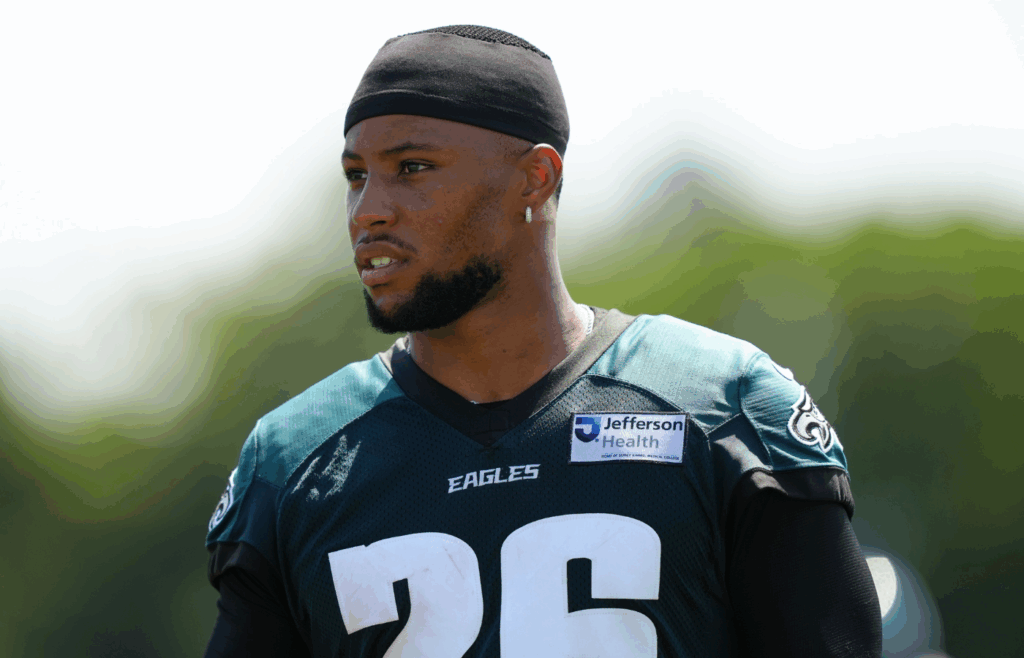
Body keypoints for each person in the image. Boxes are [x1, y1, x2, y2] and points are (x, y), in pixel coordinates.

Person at [203, 24, 883, 657]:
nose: (369, 209)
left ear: (535, 177)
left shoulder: (721, 409)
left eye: (411, 168)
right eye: (356, 175)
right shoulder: (293, 461)